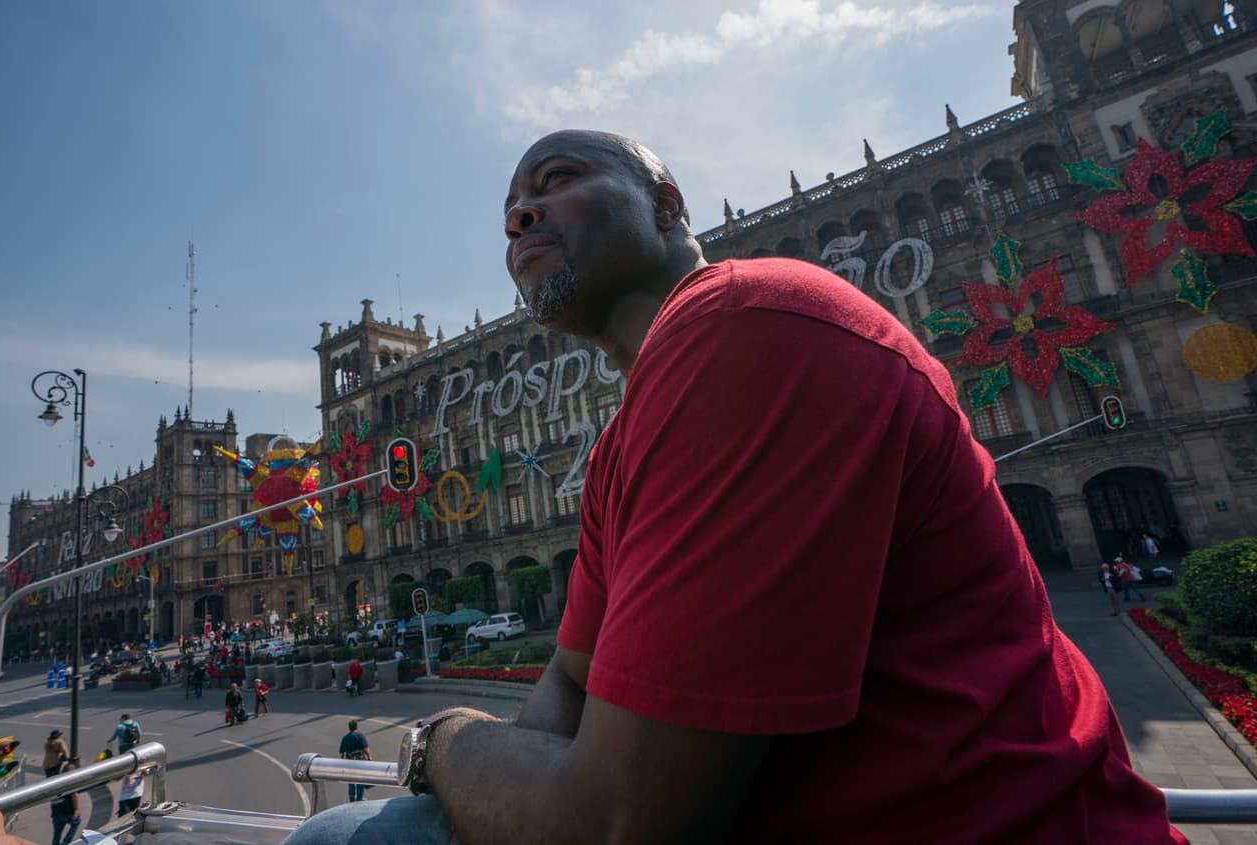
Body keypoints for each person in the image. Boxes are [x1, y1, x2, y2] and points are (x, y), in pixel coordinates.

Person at [282, 131, 1185, 843]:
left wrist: (443, 738)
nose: (520, 215)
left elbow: (616, 822)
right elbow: (569, 677)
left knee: (339, 836)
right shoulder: (617, 448)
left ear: (667, 203)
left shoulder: (749, 319)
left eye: (554, 180)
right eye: (509, 207)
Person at [48, 759, 81, 845]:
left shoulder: (55, 782)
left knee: (57, 834)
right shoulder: (69, 783)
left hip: (56, 812)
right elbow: (74, 795)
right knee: (76, 822)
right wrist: (76, 810)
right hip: (67, 812)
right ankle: (65, 842)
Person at [338, 720, 371, 802]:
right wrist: (369, 757)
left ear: (349, 727)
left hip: (349, 762)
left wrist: (342, 762)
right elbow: (365, 748)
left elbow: (342, 752)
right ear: (356, 726)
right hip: (360, 762)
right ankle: (359, 798)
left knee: (351, 779)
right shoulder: (360, 736)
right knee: (360, 779)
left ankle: (351, 796)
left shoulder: (345, 738)